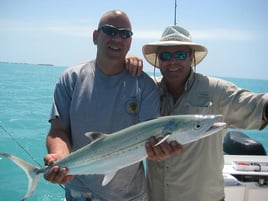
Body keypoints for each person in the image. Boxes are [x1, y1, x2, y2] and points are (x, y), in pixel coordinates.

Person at [43, 11, 182, 201]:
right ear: (95, 36)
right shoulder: (70, 79)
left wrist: (158, 153)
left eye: (125, 34)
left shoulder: (145, 86)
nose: (117, 38)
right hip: (79, 194)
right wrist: (60, 158)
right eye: (110, 31)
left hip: (129, 195)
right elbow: (58, 130)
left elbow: (151, 139)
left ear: (130, 42)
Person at [141, 25, 268, 201]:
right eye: (165, 55)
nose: (172, 62)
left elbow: (258, 106)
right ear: (158, 60)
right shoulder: (148, 91)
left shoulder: (216, 91)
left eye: (180, 55)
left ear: (191, 57)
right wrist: (128, 64)